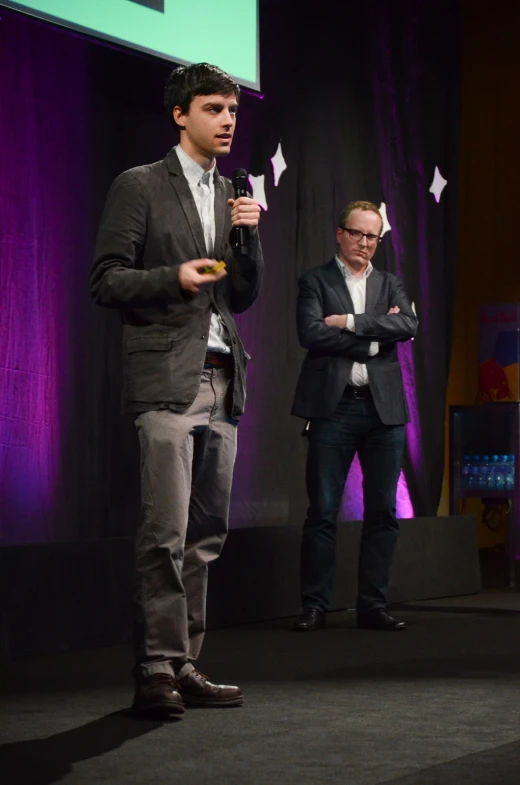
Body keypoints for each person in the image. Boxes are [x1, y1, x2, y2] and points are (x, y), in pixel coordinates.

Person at [89, 63, 263, 718]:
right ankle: (154, 665)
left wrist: (249, 238)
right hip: (164, 375)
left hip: (222, 377)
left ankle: (187, 660)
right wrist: (175, 277)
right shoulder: (140, 186)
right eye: (214, 108)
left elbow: (243, 293)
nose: (227, 121)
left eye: (233, 111)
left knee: (206, 532)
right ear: (180, 114)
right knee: (164, 527)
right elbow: (106, 279)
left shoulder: (232, 194)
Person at [291, 201, 417, 633]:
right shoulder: (315, 280)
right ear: (340, 233)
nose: (365, 243)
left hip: (384, 411)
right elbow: (310, 333)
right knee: (323, 511)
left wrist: (348, 322)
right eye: (358, 234)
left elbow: (409, 325)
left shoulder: (390, 282)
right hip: (334, 406)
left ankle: (373, 606)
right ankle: (314, 607)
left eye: (373, 237)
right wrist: (375, 335)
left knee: (383, 511)